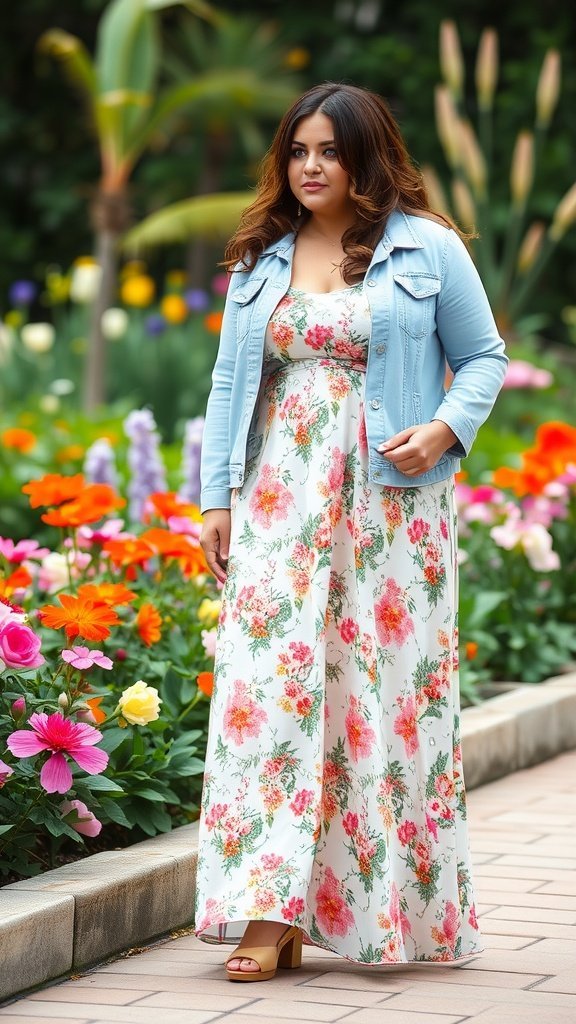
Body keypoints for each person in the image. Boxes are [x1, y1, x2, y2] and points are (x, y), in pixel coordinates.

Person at [195, 82, 507, 982]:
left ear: (367, 156)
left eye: (330, 150)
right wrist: (217, 499)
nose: (312, 167)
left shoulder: (429, 248)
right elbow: (227, 387)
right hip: (280, 507)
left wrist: (447, 428)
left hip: (390, 515)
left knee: (380, 698)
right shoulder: (262, 258)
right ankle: (269, 911)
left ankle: (384, 910)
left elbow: (484, 356)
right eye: (298, 151)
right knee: (273, 699)